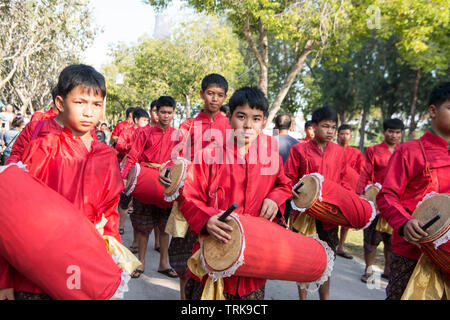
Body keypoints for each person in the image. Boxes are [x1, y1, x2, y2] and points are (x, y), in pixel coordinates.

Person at [0, 64, 129, 300]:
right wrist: (4, 280)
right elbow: (10, 217)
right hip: (36, 274)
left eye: (97, 105)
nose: (89, 112)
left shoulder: (106, 156)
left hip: (82, 266)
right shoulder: (44, 146)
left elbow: (110, 217)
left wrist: (111, 264)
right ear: (60, 103)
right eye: (80, 103)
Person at [179, 87, 291, 300]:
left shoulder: (269, 155)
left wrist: (274, 199)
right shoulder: (208, 155)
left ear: (264, 122)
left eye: (256, 118)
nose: (248, 125)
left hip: (253, 260)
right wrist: (206, 219)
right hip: (213, 255)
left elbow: (283, 184)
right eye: (241, 116)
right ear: (229, 117)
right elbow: (188, 196)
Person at [159, 73, 231, 300]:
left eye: (220, 95)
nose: (215, 99)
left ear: (225, 97)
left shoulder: (230, 126)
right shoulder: (188, 125)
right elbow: (174, 157)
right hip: (189, 200)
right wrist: (166, 171)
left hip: (220, 202)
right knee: (184, 260)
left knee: (216, 260)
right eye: (210, 93)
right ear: (202, 94)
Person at [377, 82, 450, 300]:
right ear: (433, 111)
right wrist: (404, 222)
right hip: (411, 252)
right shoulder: (409, 151)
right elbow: (386, 196)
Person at [285, 105, 352, 300]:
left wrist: (344, 202)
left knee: (327, 259)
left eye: (333, 127)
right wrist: (295, 192)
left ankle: (325, 298)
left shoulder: (340, 153)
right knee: (303, 259)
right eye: (325, 126)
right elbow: (288, 178)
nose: (330, 131)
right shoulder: (299, 149)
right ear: (314, 127)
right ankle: (303, 298)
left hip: (329, 217)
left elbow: (345, 181)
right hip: (303, 214)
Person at [121, 96, 178, 279]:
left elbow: (180, 160)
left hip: (167, 185)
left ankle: (164, 264)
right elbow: (133, 156)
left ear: (174, 113)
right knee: (143, 227)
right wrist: (124, 179)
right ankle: (141, 263)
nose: (166, 116)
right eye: (163, 112)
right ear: (156, 112)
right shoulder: (144, 133)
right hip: (145, 183)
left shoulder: (178, 135)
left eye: (169, 112)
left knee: (164, 227)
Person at [356, 118, 404, 283]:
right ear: (384, 132)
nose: (394, 135)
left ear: (401, 134)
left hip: (397, 202)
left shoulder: (404, 151)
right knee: (371, 238)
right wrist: (361, 194)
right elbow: (365, 173)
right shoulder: (373, 150)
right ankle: (368, 269)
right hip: (376, 201)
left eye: (397, 132)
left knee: (392, 240)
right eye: (390, 131)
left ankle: (387, 270)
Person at [116, 107, 150, 235]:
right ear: (136, 120)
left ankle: (137, 236)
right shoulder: (127, 131)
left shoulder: (149, 133)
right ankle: (121, 224)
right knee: (125, 197)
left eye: (147, 120)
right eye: (143, 120)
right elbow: (119, 145)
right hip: (127, 166)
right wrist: (133, 147)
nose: (146, 123)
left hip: (141, 169)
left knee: (137, 200)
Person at [335, 124, 363, 259]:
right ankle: (331, 243)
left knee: (346, 220)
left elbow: (359, 173)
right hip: (336, 186)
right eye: (342, 134)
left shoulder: (356, 153)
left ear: (351, 136)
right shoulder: (332, 149)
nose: (344, 136)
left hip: (350, 189)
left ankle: (340, 246)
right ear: (337, 135)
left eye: (347, 134)